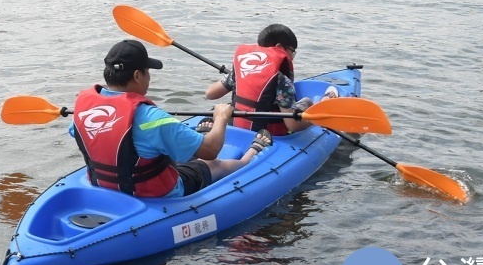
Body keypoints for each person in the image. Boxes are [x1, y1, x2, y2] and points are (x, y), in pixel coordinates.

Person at [69, 40, 270, 200]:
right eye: (148, 72)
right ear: (138, 75)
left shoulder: (82, 111)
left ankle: (189, 140)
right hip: (156, 193)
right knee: (212, 164)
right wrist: (221, 117)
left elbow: (90, 133)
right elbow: (211, 151)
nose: (149, 77)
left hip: (104, 185)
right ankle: (248, 159)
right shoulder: (152, 119)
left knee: (153, 148)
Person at [204, 24, 336, 136]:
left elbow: (210, 94)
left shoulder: (241, 70)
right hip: (268, 134)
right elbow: (292, 125)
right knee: (306, 101)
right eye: (292, 51)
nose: (292, 56)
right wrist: (315, 119)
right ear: (279, 47)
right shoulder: (282, 80)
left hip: (238, 129)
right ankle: (323, 102)